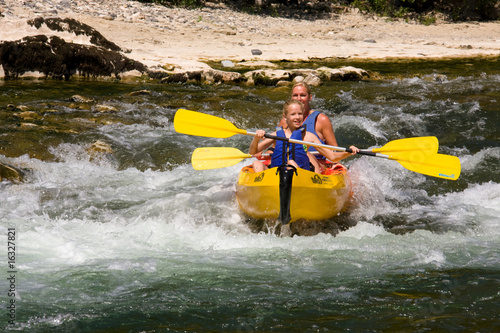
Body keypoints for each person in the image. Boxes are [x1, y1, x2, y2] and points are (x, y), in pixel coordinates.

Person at [250, 99, 356, 173]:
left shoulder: (309, 137)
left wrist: (349, 152)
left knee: (291, 163)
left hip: (300, 176)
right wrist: (256, 139)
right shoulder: (276, 135)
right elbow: (253, 152)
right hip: (276, 175)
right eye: (293, 114)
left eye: (300, 114)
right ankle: (263, 192)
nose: (297, 117)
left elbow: (332, 156)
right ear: (285, 117)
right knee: (257, 163)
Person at [277, 82, 357, 164]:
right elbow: (274, 148)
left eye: (303, 95)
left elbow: (334, 150)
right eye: (295, 95)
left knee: (305, 154)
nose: (299, 98)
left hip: (317, 165)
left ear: (310, 97)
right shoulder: (284, 122)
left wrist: (337, 163)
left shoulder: (321, 120)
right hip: (290, 163)